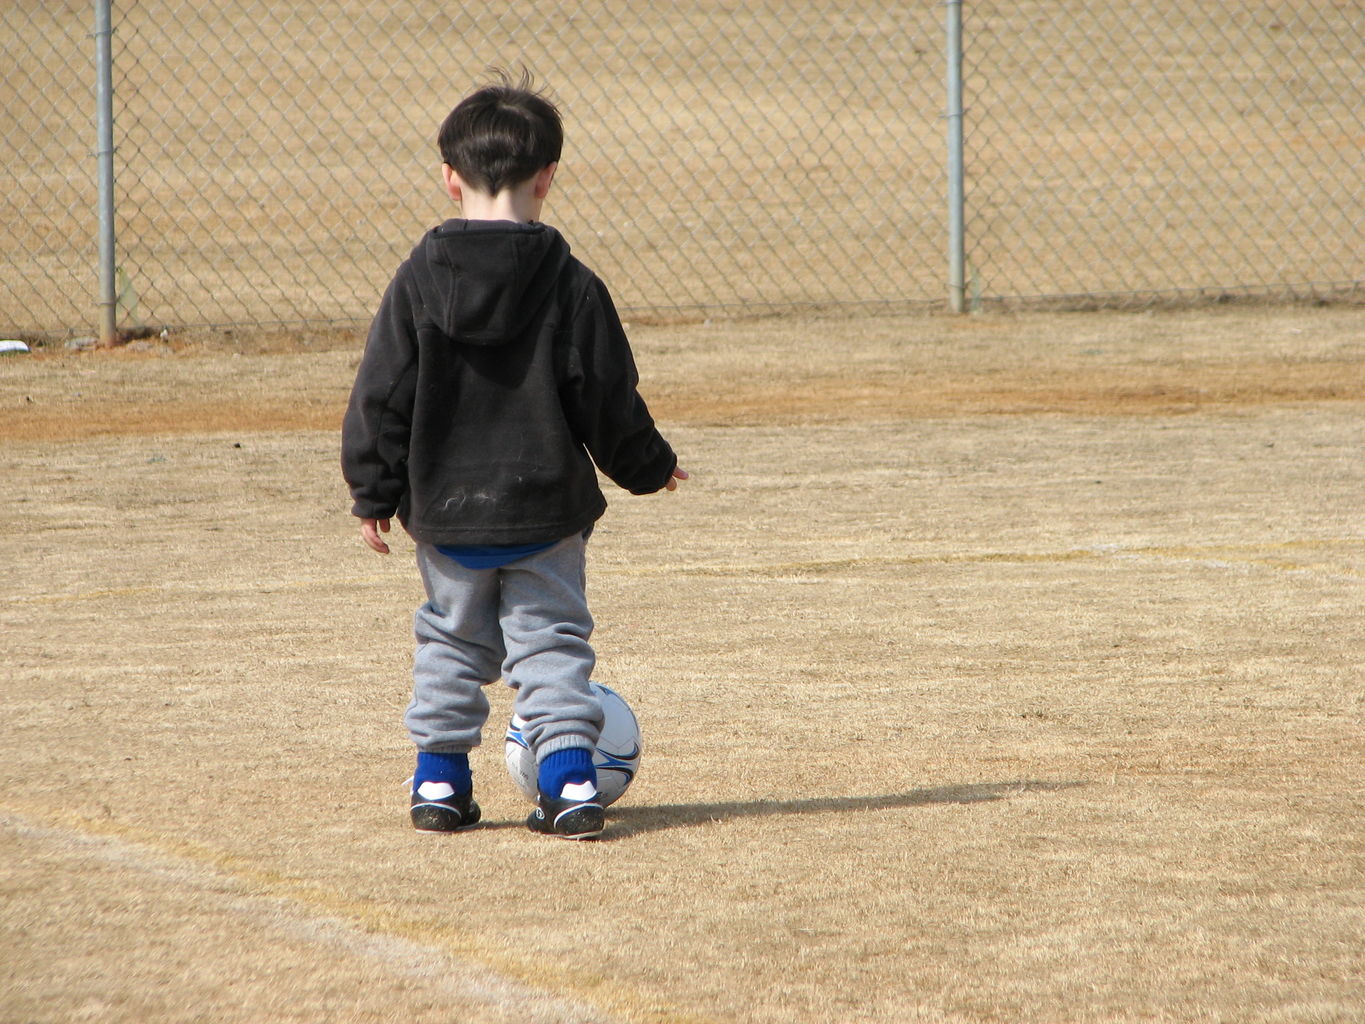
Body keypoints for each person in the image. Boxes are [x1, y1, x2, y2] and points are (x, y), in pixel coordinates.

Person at [341, 71, 686, 840]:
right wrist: (647, 463)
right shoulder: (570, 284)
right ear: (547, 178)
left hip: (447, 513)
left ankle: (438, 783)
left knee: (451, 641)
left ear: (449, 178)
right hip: (545, 510)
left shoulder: (417, 281)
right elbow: (606, 394)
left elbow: (381, 391)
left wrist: (372, 489)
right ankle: (568, 788)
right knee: (551, 644)